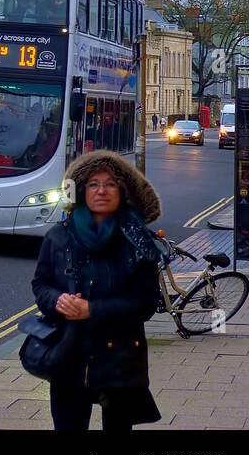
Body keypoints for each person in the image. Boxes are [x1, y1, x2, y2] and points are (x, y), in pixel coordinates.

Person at [31, 150, 163, 431]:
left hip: (121, 360)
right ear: (81, 190)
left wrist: (91, 310)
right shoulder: (59, 235)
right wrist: (59, 301)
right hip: (70, 355)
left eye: (110, 184)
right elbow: (41, 284)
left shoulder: (137, 240)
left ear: (123, 191)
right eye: (93, 184)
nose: (101, 191)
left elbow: (147, 303)